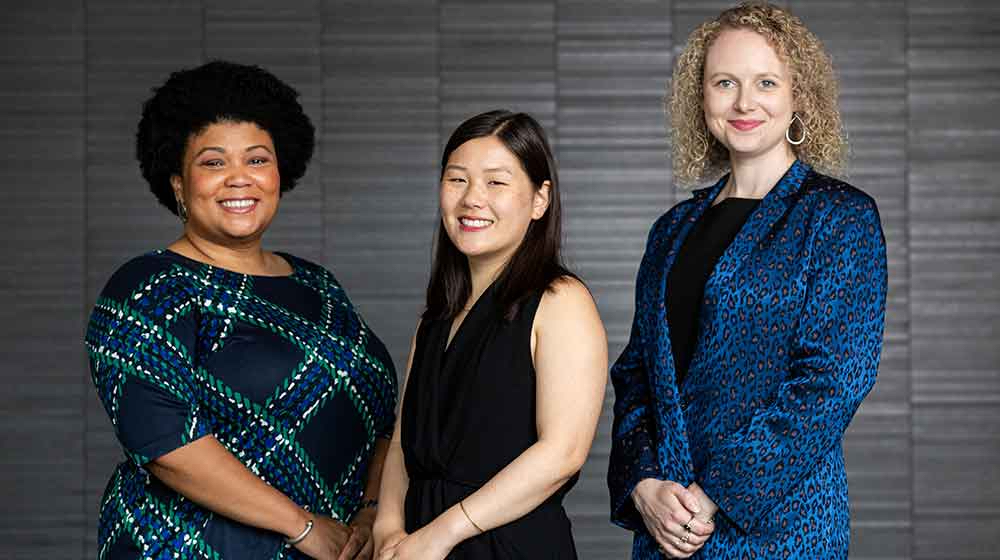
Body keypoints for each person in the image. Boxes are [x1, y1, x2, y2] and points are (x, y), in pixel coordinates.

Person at [607, 2, 888, 558]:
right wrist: (644, 487)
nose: (743, 102)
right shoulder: (671, 231)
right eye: (724, 82)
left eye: (765, 82)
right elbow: (637, 372)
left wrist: (714, 494)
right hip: (664, 532)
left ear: (797, 97)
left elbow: (831, 382)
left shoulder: (839, 218)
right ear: (702, 98)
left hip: (783, 530)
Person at [85, 60, 397, 559]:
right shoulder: (148, 288)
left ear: (280, 172)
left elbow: (383, 420)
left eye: (256, 160)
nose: (238, 179)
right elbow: (165, 444)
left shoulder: (318, 284)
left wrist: (371, 513)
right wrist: (304, 527)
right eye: (212, 162)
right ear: (178, 184)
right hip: (192, 546)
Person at [372, 110, 608, 559]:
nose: (471, 199)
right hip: (418, 546)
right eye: (457, 180)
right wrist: (387, 526)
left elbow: (563, 453)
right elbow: (405, 441)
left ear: (540, 200)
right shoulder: (435, 318)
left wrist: (440, 534)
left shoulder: (561, 301)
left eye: (496, 183)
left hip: (506, 546)